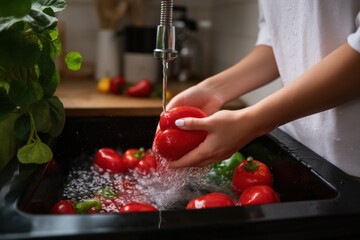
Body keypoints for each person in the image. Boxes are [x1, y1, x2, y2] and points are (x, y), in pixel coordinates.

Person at [165, 0, 360, 179]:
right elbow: (277, 43)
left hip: (350, 162)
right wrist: (213, 90)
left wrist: (252, 121)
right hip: (295, 145)